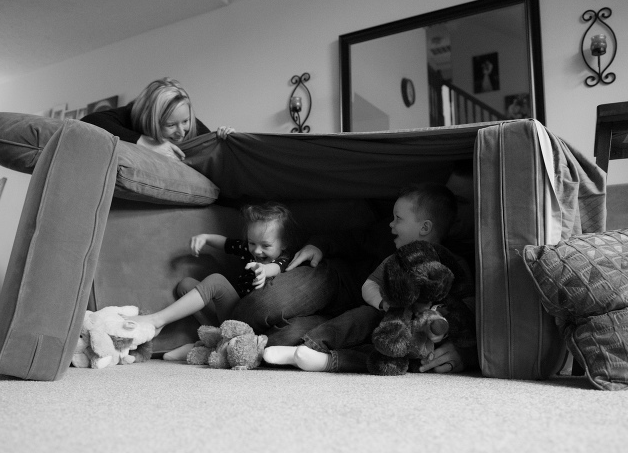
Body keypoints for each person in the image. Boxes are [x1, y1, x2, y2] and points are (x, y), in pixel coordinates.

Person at [251, 183, 476, 373]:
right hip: (342, 283)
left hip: (370, 322)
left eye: (398, 219)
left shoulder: (453, 263)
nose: (392, 223)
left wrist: (460, 344)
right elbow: (354, 239)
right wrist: (318, 245)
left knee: (280, 340)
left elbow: (467, 308)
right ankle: (236, 327)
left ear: (425, 227)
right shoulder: (391, 241)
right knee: (264, 306)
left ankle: (318, 356)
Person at [130, 201, 303, 360]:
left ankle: (158, 320)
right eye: (252, 243)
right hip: (232, 316)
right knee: (186, 285)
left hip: (250, 322)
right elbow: (226, 243)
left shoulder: (283, 258)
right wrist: (205, 238)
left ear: (284, 243)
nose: (257, 251)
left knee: (216, 282)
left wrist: (264, 270)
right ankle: (215, 340)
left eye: (266, 246)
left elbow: (277, 267)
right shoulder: (249, 250)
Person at [81, 77, 234, 160]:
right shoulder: (132, 113)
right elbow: (88, 121)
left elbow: (216, 147)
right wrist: (146, 143)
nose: (181, 132)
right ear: (150, 120)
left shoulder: (189, 123)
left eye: (185, 121)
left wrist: (226, 136)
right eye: (171, 125)